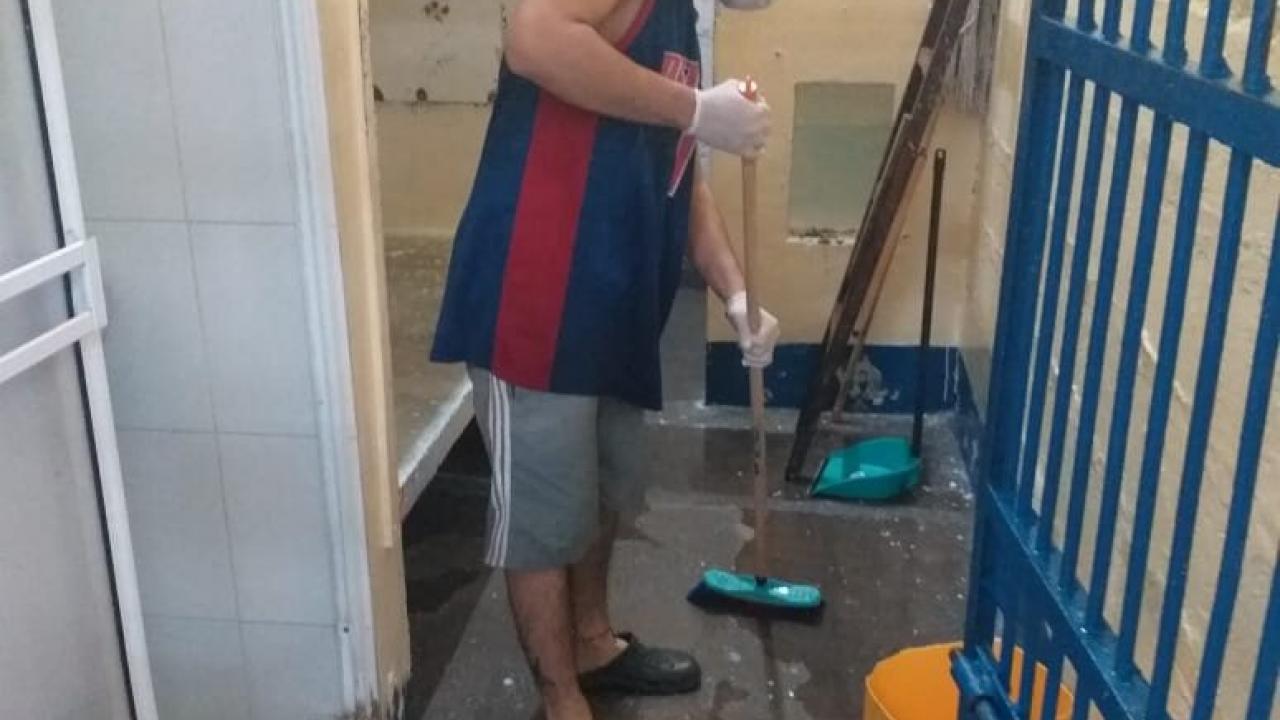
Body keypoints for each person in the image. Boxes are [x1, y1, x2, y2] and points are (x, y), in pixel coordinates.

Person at [431, 0, 778, 717]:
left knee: (602, 494)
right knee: (540, 521)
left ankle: (592, 645)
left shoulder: (678, 19)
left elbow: (682, 176)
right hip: (535, 300)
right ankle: (562, 700)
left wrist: (736, 293)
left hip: (611, 304)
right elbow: (534, 38)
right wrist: (695, 108)